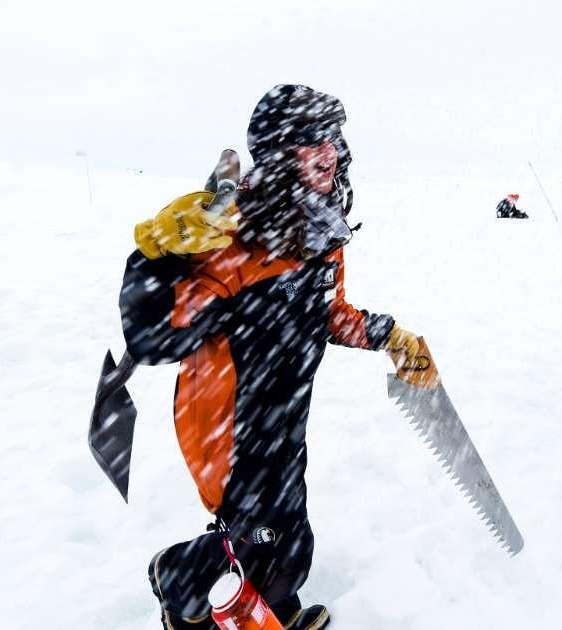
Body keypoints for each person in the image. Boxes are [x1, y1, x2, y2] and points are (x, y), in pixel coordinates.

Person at [121, 84, 423, 629]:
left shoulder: (319, 230)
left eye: (331, 137)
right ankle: (178, 580)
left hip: (286, 417)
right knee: (257, 535)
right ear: (280, 152)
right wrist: (157, 253)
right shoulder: (234, 237)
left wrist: (388, 334)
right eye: (310, 140)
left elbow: (327, 312)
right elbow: (156, 333)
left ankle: (274, 611)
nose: (327, 151)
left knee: (288, 541)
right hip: (228, 425)